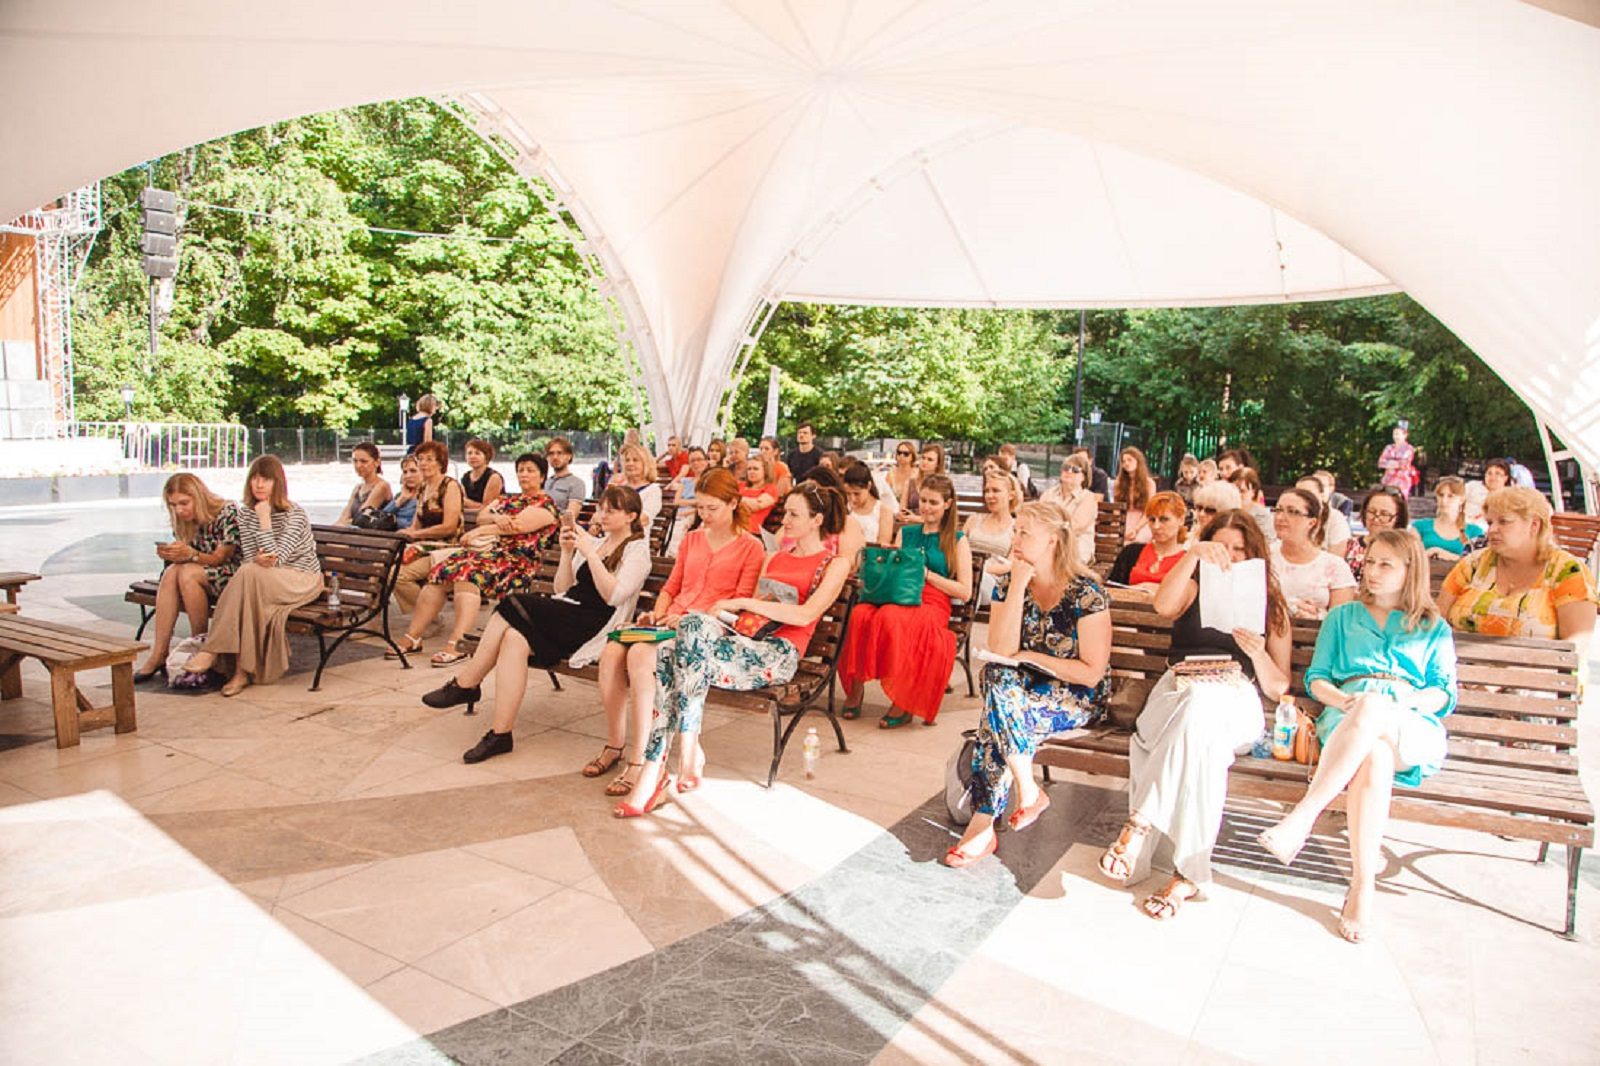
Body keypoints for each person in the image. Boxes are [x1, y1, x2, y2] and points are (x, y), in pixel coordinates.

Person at [1258, 531, 1457, 943]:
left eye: (1386, 564)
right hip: (1348, 717)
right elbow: (1317, 679)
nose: (1373, 571)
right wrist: (1347, 702)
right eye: (1370, 562)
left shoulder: (1432, 626)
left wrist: (1398, 704)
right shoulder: (1342, 617)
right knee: (1375, 756)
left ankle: (1303, 817)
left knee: (1376, 712)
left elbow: (1443, 692)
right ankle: (1363, 885)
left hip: (1410, 720)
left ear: (1409, 571)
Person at [1097, 509, 1293, 920]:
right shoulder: (1191, 586)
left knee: (1204, 711)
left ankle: (1141, 819)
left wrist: (1257, 654)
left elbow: (1278, 687)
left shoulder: (1269, 603)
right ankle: (1188, 876)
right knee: (1203, 741)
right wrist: (1191, 555)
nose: (1231, 557)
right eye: (1222, 547)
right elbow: (1164, 605)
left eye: (1240, 550)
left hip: (1236, 696)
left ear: (1254, 553)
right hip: (1177, 691)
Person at [614, 482, 854, 816]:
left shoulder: (834, 563)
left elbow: (805, 614)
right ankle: (671, 760)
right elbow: (748, 616)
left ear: (817, 520)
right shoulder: (775, 558)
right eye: (785, 512)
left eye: (794, 514)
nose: (785, 520)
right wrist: (717, 615)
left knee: (682, 651)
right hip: (745, 644)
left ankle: (668, 766)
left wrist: (740, 600)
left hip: (779, 654)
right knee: (680, 640)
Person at [421, 486, 651, 764]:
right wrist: (567, 553)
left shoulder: (638, 550)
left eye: (610, 511)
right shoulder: (597, 541)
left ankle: (467, 682)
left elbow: (613, 596)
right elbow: (563, 588)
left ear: (631, 516)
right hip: (568, 612)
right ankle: (500, 734)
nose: (602, 515)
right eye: (601, 509)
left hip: (593, 623)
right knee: (514, 639)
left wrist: (589, 553)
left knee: (513, 601)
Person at [944, 500, 1112, 866]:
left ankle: (983, 824)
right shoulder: (1010, 583)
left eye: (1025, 533)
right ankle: (1027, 787)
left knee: (998, 714)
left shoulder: (1086, 593)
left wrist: (1032, 658)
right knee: (997, 678)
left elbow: (1091, 673)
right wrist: (1018, 583)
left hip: (1076, 697)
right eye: (1015, 530)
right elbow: (1001, 650)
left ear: (1053, 540)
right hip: (1021, 692)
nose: (1014, 538)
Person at [593, 468, 764, 799]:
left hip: (709, 630)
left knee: (641, 655)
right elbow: (671, 588)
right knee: (613, 651)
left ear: (733, 503)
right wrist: (658, 613)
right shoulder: (692, 539)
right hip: (672, 619)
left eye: (712, 508)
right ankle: (615, 743)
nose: (705, 515)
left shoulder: (750, 547)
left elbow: (738, 607)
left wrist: (688, 618)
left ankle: (639, 759)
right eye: (700, 507)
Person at [178, 456, 323, 696]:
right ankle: (240, 673)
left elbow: (279, 559)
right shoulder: (245, 514)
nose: (259, 484)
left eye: (266, 479)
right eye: (254, 478)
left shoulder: (295, 513)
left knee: (248, 575)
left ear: (278, 482)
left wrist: (264, 519)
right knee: (248, 583)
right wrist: (257, 560)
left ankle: (212, 650)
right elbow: (248, 558)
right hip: (261, 578)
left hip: (301, 578)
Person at [837, 472, 973, 728]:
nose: (926, 507)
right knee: (860, 614)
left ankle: (903, 700)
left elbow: (964, 591)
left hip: (932, 602)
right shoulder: (907, 533)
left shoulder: (956, 540)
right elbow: (896, 574)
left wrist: (928, 575)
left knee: (892, 617)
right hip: (899, 595)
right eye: (923, 500)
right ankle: (855, 689)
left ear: (948, 504)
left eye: (933, 502)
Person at [400, 453, 560, 667]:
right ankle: (413, 636)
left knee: (468, 575)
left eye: (530, 470)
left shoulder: (546, 505)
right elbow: (483, 514)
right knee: (441, 572)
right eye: (521, 470)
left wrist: (481, 531)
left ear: (542, 477)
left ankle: (457, 643)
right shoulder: (508, 499)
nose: (524, 475)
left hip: (517, 563)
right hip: (489, 556)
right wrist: (496, 517)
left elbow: (518, 526)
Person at [1437, 487, 1596, 662]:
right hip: (1460, 674)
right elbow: (1436, 624)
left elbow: (1576, 646)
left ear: (1534, 525)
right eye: (1490, 522)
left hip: (1536, 680)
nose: (1492, 530)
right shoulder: (1472, 564)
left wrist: (1504, 679)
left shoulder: (1567, 571)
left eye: (1503, 522)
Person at [134, 474, 242, 682]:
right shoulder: (183, 521)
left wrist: (190, 555)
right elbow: (186, 558)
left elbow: (221, 558)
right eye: (173, 505)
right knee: (173, 571)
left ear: (198, 497)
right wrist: (172, 554)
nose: (179, 510)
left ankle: (200, 646)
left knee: (186, 572)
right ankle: (159, 652)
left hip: (232, 574)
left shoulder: (227, 512)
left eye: (184, 503)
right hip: (198, 574)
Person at [388, 440, 465, 640]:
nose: (424, 463)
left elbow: (449, 526)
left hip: (448, 547)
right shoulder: (423, 488)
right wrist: (407, 533)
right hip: (427, 546)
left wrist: (417, 536)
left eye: (429, 459)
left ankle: (431, 617)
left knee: (398, 575)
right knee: (388, 569)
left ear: (441, 462)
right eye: (421, 459)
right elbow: (416, 525)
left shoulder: (450, 486)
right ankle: (426, 615)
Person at [1271, 487, 1357, 619]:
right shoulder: (1263, 556)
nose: (1281, 517)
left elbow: (1341, 621)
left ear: (1312, 522)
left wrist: (1317, 616)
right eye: (1278, 510)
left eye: (1292, 512)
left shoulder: (1335, 566)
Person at [1106, 492, 1188, 594]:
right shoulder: (1130, 552)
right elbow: (1111, 590)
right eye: (1152, 520)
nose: (1156, 526)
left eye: (1164, 519)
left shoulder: (1189, 561)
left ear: (1181, 520)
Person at [963, 470, 1020, 604]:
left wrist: (976, 569)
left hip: (991, 580)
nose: (989, 495)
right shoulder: (974, 520)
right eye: (987, 491)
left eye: (995, 491)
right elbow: (956, 550)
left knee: (978, 583)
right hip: (964, 575)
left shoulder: (1016, 528)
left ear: (1011, 495)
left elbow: (1010, 566)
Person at [1039, 456, 1098, 565]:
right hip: (1047, 543)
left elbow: (1076, 526)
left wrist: (1050, 528)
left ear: (1083, 477)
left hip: (1075, 546)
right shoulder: (1049, 494)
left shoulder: (1087, 498)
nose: (1069, 471)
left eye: (1075, 470)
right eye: (1066, 468)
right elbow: (1039, 518)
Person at [1344, 487, 1408, 579]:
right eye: (1371, 512)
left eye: (1384, 514)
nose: (1376, 519)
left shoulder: (1405, 550)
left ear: (1398, 518)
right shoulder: (1348, 546)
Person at [1413, 476, 1483, 560]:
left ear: (1461, 500)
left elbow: (1478, 564)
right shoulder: (1419, 527)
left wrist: (1447, 555)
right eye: (1441, 495)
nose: (1444, 501)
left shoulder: (1475, 532)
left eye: (1450, 496)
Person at [665, 446, 710, 555]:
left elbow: (705, 503)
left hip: (694, 516)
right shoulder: (685, 481)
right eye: (692, 461)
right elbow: (677, 501)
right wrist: (695, 502)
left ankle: (675, 557)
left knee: (678, 531)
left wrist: (689, 506)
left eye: (699, 459)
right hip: (678, 514)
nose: (696, 463)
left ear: (706, 461)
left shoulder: (709, 482)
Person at [334, 443, 392, 525]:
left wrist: (342, 524)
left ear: (377, 462)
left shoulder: (382, 486)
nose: (358, 465)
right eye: (355, 461)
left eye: (363, 461)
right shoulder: (358, 488)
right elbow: (344, 516)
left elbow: (361, 518)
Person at [842, 462, 895, 549]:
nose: (852, 499)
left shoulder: (883, 511)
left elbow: (883, 544)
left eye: (857, 494)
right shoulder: (845, 509)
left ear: (869, 486)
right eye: (848, 494)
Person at [1297, 475, 1351, 558]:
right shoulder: (1291, 517)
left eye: (1308, 493)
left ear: (1321, 496)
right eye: (1298, 494)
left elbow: (1336, 560)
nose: (1302, 499)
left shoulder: (1336, 519)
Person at [1115, 446, 1159, 543]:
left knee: (1137, 540)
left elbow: (1149, 511)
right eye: (1124, 461)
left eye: (1129, 460)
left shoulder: (1149, 483)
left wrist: (1136, 529)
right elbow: (1116, 509)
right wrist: (1118, 526)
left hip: (1143, 521)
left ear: (1138, 461)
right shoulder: (1118, 483)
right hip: (1124, 519)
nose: (1126, 463)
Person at [612, 442, 662, 524]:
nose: (630, 463)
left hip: (633, 535)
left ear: (645, 464)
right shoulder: (619, 487)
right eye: (627, 460)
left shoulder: (653, 490)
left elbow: (644, 518)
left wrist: (612, 520)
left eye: (635, 460)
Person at [458, 438, 504, 526]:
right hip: (469, 517)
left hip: (491, 521)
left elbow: (487, 507)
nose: (472, 456)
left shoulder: (494, 477)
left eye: (477, 453)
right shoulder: (465, 477)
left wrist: (466, 502)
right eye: (469, 453)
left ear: (486, 457)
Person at [1228, 467, 1273, 544]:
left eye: (1242, 491)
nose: (1237, 494)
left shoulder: (1261, 515)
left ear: (1253, 492)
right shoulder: (1224, 509)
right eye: (1234, 490)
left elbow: (1266, 541)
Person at [543, 436, 587, 514]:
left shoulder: (577, 484)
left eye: (559, 453)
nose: (555, 457)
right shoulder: (547, 482)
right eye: (551, 453)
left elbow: (571, 516)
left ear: (569, 456)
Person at [740, 453, 781, 533]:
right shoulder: (740, 486)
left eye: (755, 469)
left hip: (751, 531)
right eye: (749, 469)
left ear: (765, 471)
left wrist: (737, 500)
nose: (751, 472)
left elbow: (757, 505)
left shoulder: (770, 488)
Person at [1463, 458, 1510, 527]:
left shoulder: (1509, 495)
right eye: (1489, 473)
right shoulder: (1472, 486)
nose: (1492, 477)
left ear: (1505, 478)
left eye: (1497, 473)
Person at [380, 455, 422, 529]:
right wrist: (400, 500)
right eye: (405, 472)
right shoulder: (400, 495)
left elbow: (413, 525)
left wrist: (394, 521)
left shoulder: (426, 496)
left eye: (413, 471)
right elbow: (381, 518)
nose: (408, 476)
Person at [1378, 422, 1419, 496]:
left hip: (1402, 480)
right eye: (1394, 434)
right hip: (1388, 480)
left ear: (1405, 435)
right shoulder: (1389, 447)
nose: (1396, 436)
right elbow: (1381, 462)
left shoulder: (1409, 448)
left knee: (1400, 502)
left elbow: (1404, 464)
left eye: (1398, 434)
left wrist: (1390, 462)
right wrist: (1394, 463)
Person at [885, 441, 921, 515]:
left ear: (912, 456)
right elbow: (885, 496)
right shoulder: (891, 474)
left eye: (906, 454)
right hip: (894, 513)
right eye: (899, 452)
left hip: (914, 513)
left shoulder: (917, 474)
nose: (901, 456)